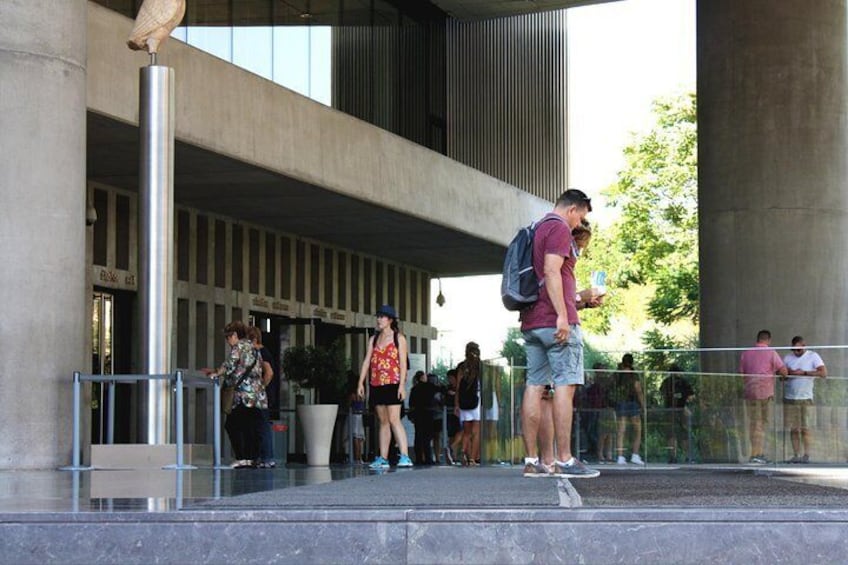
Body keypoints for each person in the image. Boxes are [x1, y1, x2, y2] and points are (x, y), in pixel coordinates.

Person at [519, 188, 601, 478]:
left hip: (532, 321)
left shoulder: (537, 228)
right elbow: (552, 272)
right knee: (565, 388)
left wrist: (580, 301)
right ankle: (565, 460)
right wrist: (564, 317)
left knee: (535, 387)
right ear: (572, 209)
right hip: (555, 323)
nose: (579, 224)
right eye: (580, 216)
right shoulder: (558, 228)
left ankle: (533, 462)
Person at [357, 304, 413, 469]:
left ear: (390, 320)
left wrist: (402, 386)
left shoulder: (399, 338)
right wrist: (360, 382)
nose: (379, 320)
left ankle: (405, 455)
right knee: (383, 421)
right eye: (378, 317)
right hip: (376, 383)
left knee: (394, 419)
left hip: (393, 383)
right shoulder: (373, 339)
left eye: (382, 317)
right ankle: (383, 457)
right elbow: (367, 360)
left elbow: (403, 364)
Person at [204, 321, 266, 468]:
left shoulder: (238, 347)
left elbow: (230, 364)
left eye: (228, 337)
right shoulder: (254, 348)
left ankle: (242, 457)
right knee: (251, 427)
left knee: (232, 425)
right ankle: (252, 458)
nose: (227, 341)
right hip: (257, 396)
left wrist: (216, 373)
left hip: (242, 396)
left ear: (235, 335)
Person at [739, 329, 787, 464]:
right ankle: (757, 454)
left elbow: (741, 373)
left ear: (758, 339)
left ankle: (754, 453)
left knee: (753, 424)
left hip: (750, 392)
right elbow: (783, 371)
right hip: (765, 393)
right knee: (761, 424)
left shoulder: (746, 353)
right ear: (768, 340)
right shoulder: (771, 352)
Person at [781, 336, 826, 463]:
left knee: (805, 428)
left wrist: (804, 373)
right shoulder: (787, 358)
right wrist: (788, 373)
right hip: (790, 397)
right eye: (793, 350)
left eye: (799, 350)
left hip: (805, 397)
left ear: (804, 346)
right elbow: (781, 377)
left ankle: (806, 455)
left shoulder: (813, 356)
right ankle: (796, 455)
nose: (796, 352)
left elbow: (823, 373)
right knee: (794, 428)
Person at [246, 325, 276, 468]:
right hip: (261, 394)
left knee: (263, 425)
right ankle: (261, 456)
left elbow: (269, 372)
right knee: (258, 425)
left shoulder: (262, 352)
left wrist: (260, 388)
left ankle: (267, 457)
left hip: (262, 395)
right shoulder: (259, 352)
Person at [454, 342, 483, 466]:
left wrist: (456, 404)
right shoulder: (480, 366)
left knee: (466, 432)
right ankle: (472, 459)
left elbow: (458, 387)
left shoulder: (461, 366)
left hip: (464, 402)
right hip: (476, 401)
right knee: (476, 433)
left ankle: (463, 453)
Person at [614, 353, 645, 465]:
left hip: (621, 403)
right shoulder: (633, 375)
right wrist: (643, 405)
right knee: (637, 430)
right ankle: (635, 455)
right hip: (632, 403)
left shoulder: (617, 374)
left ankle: (620, 457)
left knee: (621, 431)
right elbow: (638, 391)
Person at [660, 364, 695, 463]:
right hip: (679, 410)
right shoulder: (682, 382)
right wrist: (685, 403)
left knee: (673, 434)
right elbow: (692, 396)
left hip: (672, 411)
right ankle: (687, 457)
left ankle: (674, 457)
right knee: (682, 434)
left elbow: (662, 395)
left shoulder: (666, 382)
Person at [409, 370, 437, 464]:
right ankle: (428, 458)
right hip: (428, 413)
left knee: (418, 436)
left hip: (418, 414)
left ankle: (419, 458)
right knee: (427, 437)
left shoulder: (414, 388)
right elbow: (440, 390)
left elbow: (411, 403)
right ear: (422, 377)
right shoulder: (429, 386)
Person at [346, 371, 367, 464]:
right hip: (360, 416)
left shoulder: (352, 395)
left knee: (354, 436)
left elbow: (348, 405)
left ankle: (355, 458)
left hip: (353, 416)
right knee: (359, 437)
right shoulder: (362, 394)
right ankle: (359, 457)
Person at [445, 369, 462, 464]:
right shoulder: (447, 388)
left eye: (451, 378)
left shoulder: (460, 388)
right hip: (450, 414)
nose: (450, 380)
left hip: (459, 413)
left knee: (461, 431)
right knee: (451, 434)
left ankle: (453, 448)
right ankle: (453, 456)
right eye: (449, 378)